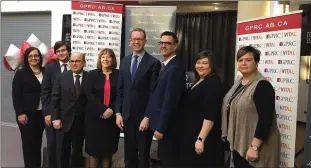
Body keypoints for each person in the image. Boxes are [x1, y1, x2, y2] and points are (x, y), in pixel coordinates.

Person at [221, 46, 280, 167]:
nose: (243, 63)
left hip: (254, 146)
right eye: (240, 60)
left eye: (248, 60)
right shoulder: (238, 82)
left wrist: (254, 147)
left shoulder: (262, 85)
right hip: (239, 143)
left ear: (256, 62)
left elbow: (266, 120)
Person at [115, 28, 161, 168]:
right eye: (134, 39)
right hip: (127, 117)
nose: (136, 42)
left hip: (143, 118)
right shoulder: (124, 61)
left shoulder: (153, 63)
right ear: (130, 42)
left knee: (143, 154)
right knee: (129, 154)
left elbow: (155, 93)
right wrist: (118, 113)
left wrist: (148, 117)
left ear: (145, 41)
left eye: (139, 39)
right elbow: (120, 90)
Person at [145, 31, 185, 167]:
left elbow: (170, 101)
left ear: (175, 46)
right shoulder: (166, 66)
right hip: (163, 126)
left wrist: (160, 128)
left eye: (167, 43)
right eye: (161, 43)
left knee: (169, 162)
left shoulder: (175, 68)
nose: (163, 46)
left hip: (168, 129)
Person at [181, 50, 224, 167]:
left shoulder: (213, 83)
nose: (200, 66)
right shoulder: (200, 80)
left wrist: (201, 139)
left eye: (205, 63)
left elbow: (210, 114)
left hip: (204, 138)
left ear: (212, 65)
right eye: (198, 62)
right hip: (192, 133)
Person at [51, 52, 88, 168]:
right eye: (72, 61)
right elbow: (55, 99)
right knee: (63, 153)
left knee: (77, 152)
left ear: (84, 63)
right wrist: (55, 118)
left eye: (77, 61)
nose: (74, 64)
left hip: (81, 123)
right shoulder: (61, 77)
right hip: (63, 122)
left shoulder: (89, 77)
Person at [85, 48, 120, 168]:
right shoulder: (92, 74)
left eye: (109, 56)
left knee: (107, 152)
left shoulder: (119, 75)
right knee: (93, 151)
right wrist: (103, 109)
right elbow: (89, 95)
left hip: (111, 120)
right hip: (94, 119)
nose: (106, 59)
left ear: (113, 59)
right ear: (100, 59)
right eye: (103, 57)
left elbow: (122, 95)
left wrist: (111, 109)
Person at [12, 47, 45, 168]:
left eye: (36, 55)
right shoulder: (21, 73)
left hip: (41, 114)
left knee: (38, 143)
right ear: (26, 58)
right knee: (28, 145)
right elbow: (16, 95)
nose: (33, 58)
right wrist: (19, 113)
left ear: (40, 57)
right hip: (26, 115)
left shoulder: (45, 71)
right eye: (30, 56)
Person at [41, 41, 71, 168]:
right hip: (53, 113)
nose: (61, 53)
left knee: (67, 147)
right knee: (53, 146)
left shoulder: (75, 64)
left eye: (63, 50)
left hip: (70, 114)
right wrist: (47, 113)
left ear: (68, 51)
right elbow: (45, 92)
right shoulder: (50, 68)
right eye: (58, 51)